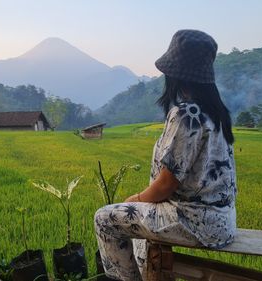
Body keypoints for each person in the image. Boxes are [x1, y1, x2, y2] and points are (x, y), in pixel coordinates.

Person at [94, 29, 237, 281]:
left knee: (104, 219)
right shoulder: (216, 112)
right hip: (222, 221)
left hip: (193, 220)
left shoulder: (187, 114)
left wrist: (135, 198)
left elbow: (166, 184)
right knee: (140, 222)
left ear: (174, 74)